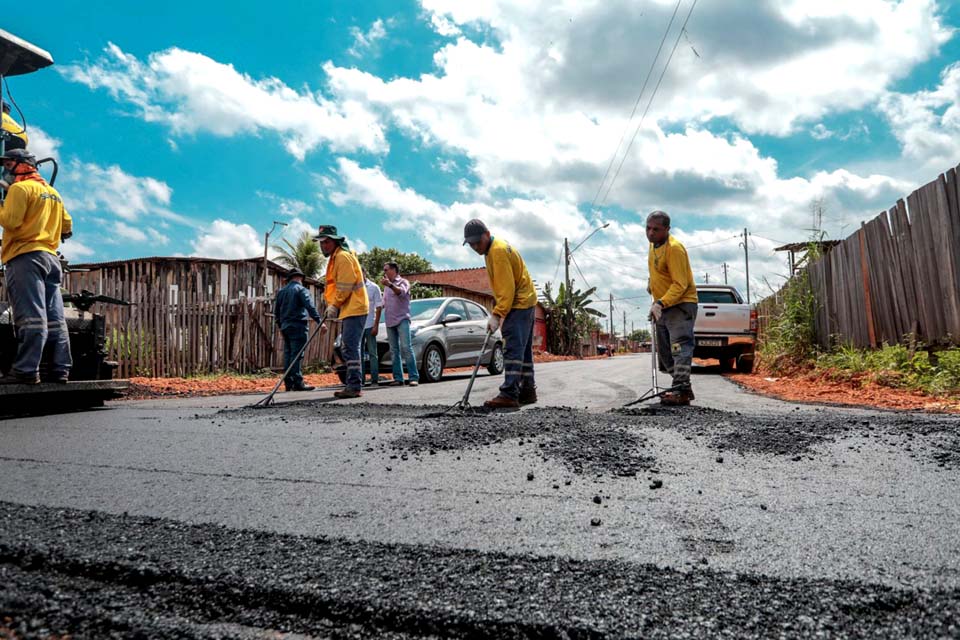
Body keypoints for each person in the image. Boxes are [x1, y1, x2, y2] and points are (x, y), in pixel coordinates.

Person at [0, 148, 71, 384]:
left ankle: (25, 371)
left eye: (9, 165)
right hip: (50, 259)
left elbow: (11, 221)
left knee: (31, 318)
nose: (6, 170)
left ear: (23, 166)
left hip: (25, 257)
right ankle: (59, 370)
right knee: (55, 319)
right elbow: (67, 226)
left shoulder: (20, 189)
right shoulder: (53, 193)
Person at [463, 218, 538, 409]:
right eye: (471, 244)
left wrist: (497, 314)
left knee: (512, 349)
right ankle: (527, 390)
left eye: (477, 242)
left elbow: (507, 289)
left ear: (487, 234)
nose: (475, 247)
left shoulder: (497, 252)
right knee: (523, 351)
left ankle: (509, 394)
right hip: (527, 302)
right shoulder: (493, 249)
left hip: (518, 303)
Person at [646, 210, 698, 406]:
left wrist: (660, 302)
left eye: (656, 229)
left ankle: (680, 390)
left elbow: (680, 284)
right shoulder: (653, 246)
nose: (651, 233)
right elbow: (659, 270)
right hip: (662, 305)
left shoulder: (674, 249)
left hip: (680, 305)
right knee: (666, 353)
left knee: (679, 347)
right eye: (648, 228)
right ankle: (682, 388)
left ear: (667, 229)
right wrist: (651, 284)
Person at [315, 225, 368, 399]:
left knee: (350, 348)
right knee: (348, 347)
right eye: (321, 243)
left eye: (326, 242)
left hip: (355, 307)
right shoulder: (335, 258)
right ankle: (353, 384)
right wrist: (333, 304)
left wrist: (335, 304)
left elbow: (345, 286)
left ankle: (354, 386)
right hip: (349, 308)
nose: (323, 246)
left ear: (335, 241)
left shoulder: (343, 258)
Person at [273, 267, 322, 392]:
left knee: (288, 354)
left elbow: (276, 312)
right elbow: (309, 306)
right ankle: (298, 382)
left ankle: (288, 383)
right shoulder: (301, 290)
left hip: (285, 326)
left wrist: (280, 325)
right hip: (298, 325)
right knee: (297, 355)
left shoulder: (281, 292)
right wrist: (319, 321)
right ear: (299, 278)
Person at [380, 261, 419, 386]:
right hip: (390, 321)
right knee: (393, 350)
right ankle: (398, 378)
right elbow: (383, 303)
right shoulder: (386, 286)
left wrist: (390, 285)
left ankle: (413, 377)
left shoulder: (403, 282)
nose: (384, 272)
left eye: (386, 270)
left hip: (402, 319)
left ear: (393, 270)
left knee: (406, 348)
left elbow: (401, 293)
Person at [361, 269, 383, 386]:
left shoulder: (374, 287)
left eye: (360, 272)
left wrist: (376, 325)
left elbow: (379, 307)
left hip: (370, 324)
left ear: (365, 273)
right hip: (358, 326)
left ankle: (375, 379)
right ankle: (361, 380)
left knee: (372, 353)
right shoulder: (354, 287)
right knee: (358, 354)